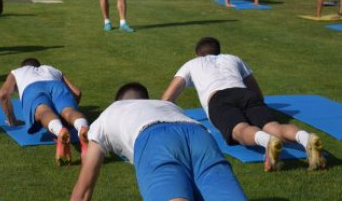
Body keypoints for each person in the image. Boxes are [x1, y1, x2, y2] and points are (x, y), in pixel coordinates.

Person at [161, 37, 326, 172]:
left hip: (218, 99)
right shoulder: (233, 58)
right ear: (218, 51)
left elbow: (168, 98)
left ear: (198, 54)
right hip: (245, 94)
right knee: (273, 125)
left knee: (240, 130)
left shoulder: (191, 64)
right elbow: (256, 90)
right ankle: (306, 138)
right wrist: (258, 107)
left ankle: (267, 141)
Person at [70, 82, 247, 201]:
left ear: (119, 102)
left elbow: (85, 187)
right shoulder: (167, 106)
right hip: (199, 134)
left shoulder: (109, 113)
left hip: (155, 139)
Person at [0, 58, 89, 165]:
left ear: (22, 66)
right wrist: (66, 114)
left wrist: (12, 120)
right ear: (38, 66)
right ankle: (82, 127)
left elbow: (3, 94)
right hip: (56, 86)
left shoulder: (17, 71)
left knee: (43, 112)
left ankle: (60, 131)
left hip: (32, 88)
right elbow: (77, 93)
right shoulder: (52, 69)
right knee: (69, 111)